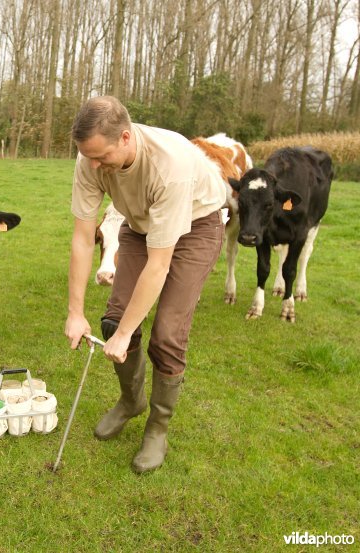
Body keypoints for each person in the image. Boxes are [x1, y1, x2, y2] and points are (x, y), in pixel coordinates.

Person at [64, 96, 225, 473]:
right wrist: (75, 313)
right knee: (113, 319)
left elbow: (159, 265)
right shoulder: (91, 156)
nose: (93, 165)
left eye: (100, 157)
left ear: (124, 137)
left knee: (167, 333)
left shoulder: (170, 165)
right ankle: (130, 401)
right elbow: (83, 238)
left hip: (197, 228)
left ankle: (157, 427)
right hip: (139, 226)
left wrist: (125, 335)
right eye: (87, 156)